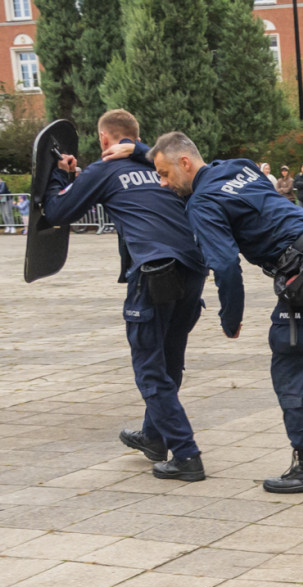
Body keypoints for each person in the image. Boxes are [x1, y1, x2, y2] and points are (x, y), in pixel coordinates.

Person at [129, 131, 303, 494]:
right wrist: (140, 149)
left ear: (185, 164)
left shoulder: (201, 202)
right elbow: (175, 148)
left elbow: (225, 266)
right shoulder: (239, 167)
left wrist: (230, 319)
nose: (163, 183)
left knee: (289, 365)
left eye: (165, 174)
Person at [44, 109, 208, 481]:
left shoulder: (104, 171)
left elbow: (57, 211)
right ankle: (154, 436)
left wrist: (59, 175)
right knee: (169, 361)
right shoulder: (159, 168)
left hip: (154, 273)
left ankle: (186, 455)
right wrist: (140, 150)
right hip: (194, 269)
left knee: (150, 371)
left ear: (105, 140)